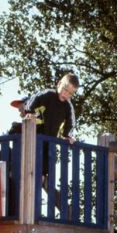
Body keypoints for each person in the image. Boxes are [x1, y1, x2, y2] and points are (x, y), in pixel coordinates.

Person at [23, 74, 79, 216]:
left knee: (44, 172)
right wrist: (29, 113)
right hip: (36, 136)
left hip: (50, 142)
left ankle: (38, 207)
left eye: (70, 93)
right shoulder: (47, 94)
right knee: (32, 168)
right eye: (65, 89)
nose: (66, 94)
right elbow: (32, 100)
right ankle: (31, 205)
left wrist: (67, 135)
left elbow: (70, 122)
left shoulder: (68, 106)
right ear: (59, 83)